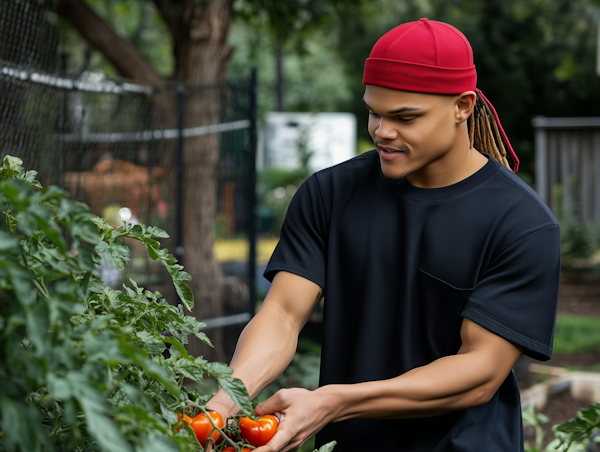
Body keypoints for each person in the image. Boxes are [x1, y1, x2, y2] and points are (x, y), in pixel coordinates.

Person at [208, 18, 560, 452]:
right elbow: (282, 314)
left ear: (463, 106)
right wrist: (225, 401)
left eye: (405, 117)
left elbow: (480, 372)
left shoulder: (521, 223)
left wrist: (334, 402)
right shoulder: (330, 193)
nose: (382, 131)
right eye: (374, 112)